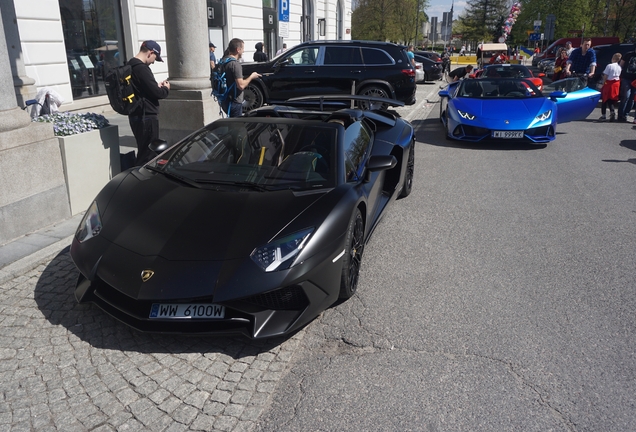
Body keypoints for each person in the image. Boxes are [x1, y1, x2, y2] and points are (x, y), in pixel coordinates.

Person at [127, 40, 170, 165]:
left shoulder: (130, 65)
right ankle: (141, 180)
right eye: (155, 58)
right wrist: (165, 89)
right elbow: (157, 93)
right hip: (146, 115)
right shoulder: (142, 69)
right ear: (150, 53)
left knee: (144, 149)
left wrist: (155, 86)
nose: (153, 62)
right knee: (148, 153)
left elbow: (142, 89)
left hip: (136, 113)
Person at [220, 38, 261, 117]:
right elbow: (241, 85)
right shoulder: (235, 64)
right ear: (238, 49)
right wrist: (251, 77)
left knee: (231, 125)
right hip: (234, 101)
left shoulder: (223, 61)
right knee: (237, 127)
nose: (243, 51)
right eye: (242, 49)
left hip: (225, 100)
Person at [599, 53, 622, 121]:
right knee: (611, 99)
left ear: (613, 58)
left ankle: (603, 115)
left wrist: (603, 84)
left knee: (605, 99)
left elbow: (605, 76)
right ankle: (612, 111)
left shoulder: (609, 66)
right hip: (616, 84)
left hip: (609, 83)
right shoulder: (619, 67)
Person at [617, 43, 636, 122]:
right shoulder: (628, 55)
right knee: (626, 96)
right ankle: (620, 115)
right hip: (626, 78)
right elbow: (621, 65)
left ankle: (626, 114)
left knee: (632, 99)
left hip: (635, 81)